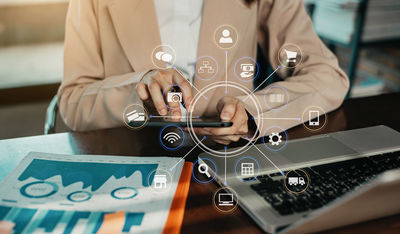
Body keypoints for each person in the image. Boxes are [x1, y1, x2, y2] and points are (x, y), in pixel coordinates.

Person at [58, 0, 349, 145]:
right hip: (128, 162)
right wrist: (140, 88)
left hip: (227, 163)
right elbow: (72, 101)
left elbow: (326, 75)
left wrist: (252, 112)